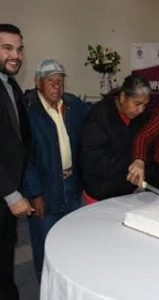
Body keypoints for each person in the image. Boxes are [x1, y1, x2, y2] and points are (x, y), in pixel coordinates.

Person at [22, 59, 88, 281]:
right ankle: (45, 287)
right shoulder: (27, 110)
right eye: (50, 81)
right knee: (46, 243)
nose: (56, 86)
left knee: (71, 239)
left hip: (72, 184)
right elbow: (25, 157)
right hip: (44, 188)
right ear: (38, 82)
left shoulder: (73, 105)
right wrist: (34, 193)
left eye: (60, 81)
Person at [0, 23, 33, 300]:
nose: (16, 55)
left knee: (6, 253)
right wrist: (11, 194)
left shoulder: (11, 84)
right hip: (4, 191)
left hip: (9, 192)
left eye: (20, 49)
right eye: (7, 48)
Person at [81, 75, 151, 201]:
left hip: (128, 192)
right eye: (137, 104)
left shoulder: (142, 116)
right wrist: (132, 165)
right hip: (100, 194)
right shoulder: (98, 116)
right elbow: (94, 159)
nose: (141, 110)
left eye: (145, 105)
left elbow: (148, 142)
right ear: (123, 97)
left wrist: (141, 161)